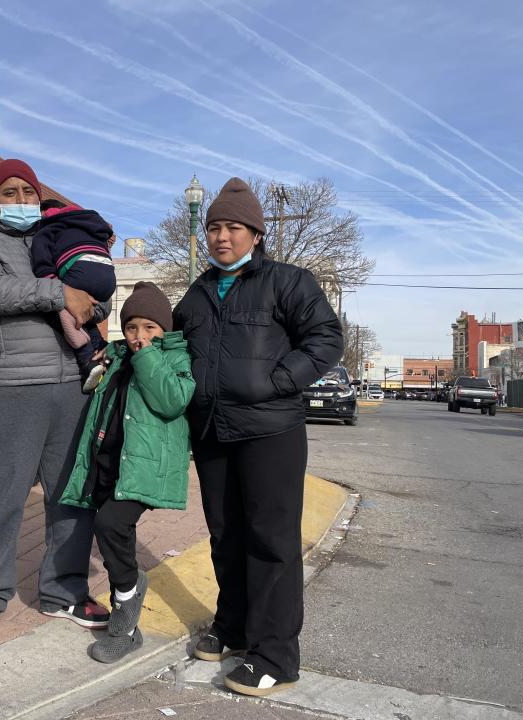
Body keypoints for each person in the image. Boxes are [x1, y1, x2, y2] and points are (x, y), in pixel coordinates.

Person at [173, 177, 343, 697]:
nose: (222, 237)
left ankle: (274, 654)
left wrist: (278, 382)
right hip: (213, 433)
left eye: (233, 227)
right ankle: (233, 627)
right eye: (214, 228)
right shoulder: (196, 295)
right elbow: (176, 351)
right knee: (226, 536)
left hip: (272, 432)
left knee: (271, 542)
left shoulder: (289, 282)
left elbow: (326, 338)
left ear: (255, 233)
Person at [0, 158, 111, 644]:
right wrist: (61, 291)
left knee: (72, 497)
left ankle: (63, 590)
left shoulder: (58, 236)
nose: (22, 201)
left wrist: (86, 296)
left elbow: (97, 297)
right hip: (15, 388)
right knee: (1, 498)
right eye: (11, 192)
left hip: (73, 388)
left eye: (29, 194)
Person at [60, 281, 194, 663]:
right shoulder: (116, 355)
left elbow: (172, 401)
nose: (140, 336)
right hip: (108, 463)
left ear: (164, 330)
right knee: (112, 532)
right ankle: (129, 587)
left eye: (150, 328)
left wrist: (148, 356)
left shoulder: (176, 359)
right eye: (132, 327)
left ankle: (126, 618)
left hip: (142, 468)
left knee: (111, 526)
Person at [31, 201, 115, 391]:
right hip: (108, 278)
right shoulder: (89, 224)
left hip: (81, 273)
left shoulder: (49, 226)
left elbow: (42, 261)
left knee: (58, 309)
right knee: (83, 313)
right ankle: (101, 348)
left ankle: (86, 358)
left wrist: (53, 283)